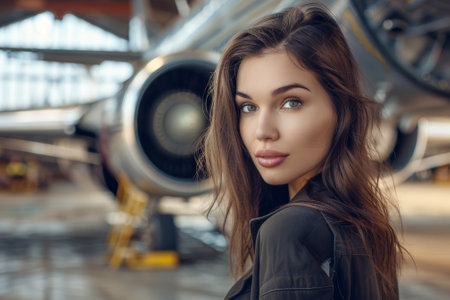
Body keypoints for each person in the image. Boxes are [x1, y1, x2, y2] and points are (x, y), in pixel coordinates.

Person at [201, 3, 405, 300]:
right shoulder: (365, 223)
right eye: (248, 107)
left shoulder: (288, 232)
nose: (262, 130)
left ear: (340, 110)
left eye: (291, 102)